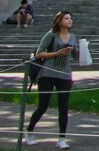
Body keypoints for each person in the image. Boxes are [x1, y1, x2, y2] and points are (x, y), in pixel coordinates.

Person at [25, 11, 78, 149]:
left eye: (70, 18)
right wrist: (57, 53)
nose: (70, 20)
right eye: (66, 18)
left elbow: (76, 57)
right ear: (59, 21)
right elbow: (39, 53)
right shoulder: (51, 35)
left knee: (63, 107)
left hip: (65, 75)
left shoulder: (73, 37)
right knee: (43, 106)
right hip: (48, 73)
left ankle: (62, 138)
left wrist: (80, 50)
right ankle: (29, 130)